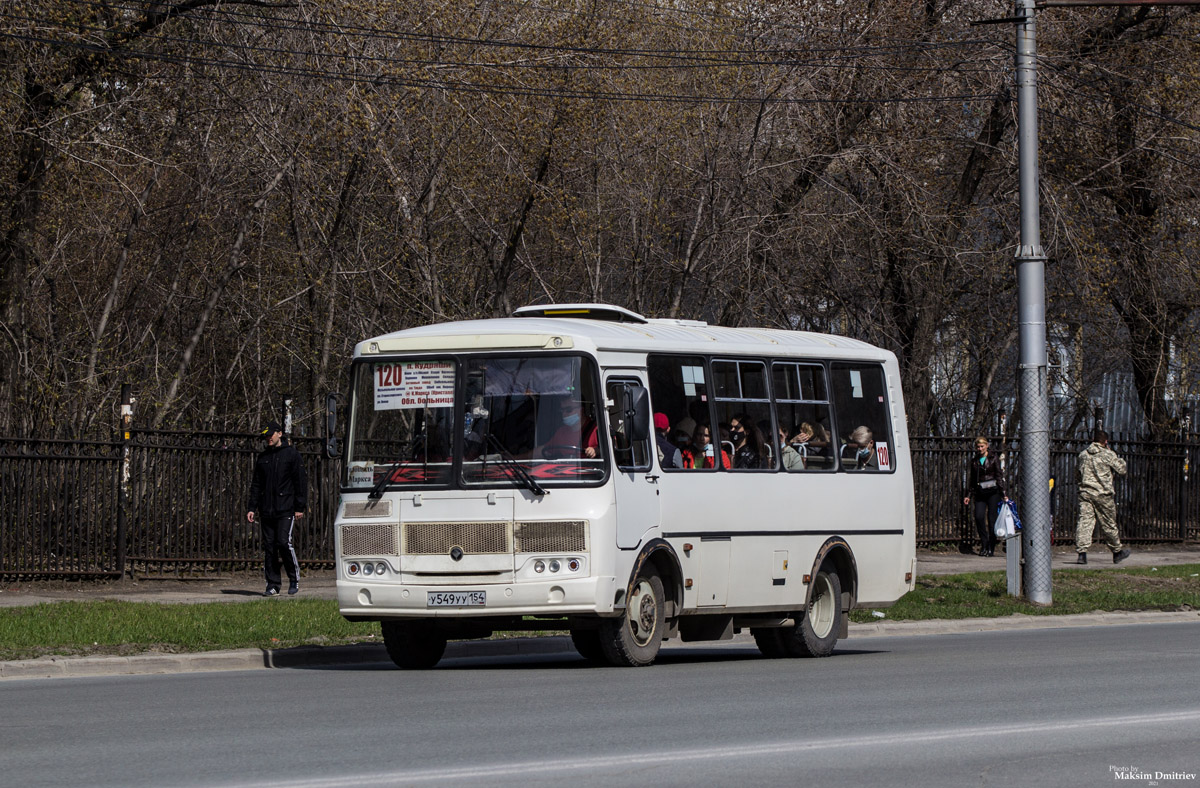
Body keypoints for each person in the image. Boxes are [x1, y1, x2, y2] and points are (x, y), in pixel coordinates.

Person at [247, 421, 307, 596]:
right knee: (270, 546)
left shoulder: (291, 455)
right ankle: (273, 585)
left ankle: (294, 579)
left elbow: (300, 482)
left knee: (283, 542)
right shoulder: (263, 458)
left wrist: (299, 506)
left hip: (286, 509)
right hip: (267, 509)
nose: (268, 438)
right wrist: (252, 507)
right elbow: (256, 485)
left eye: (270, 434)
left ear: (279, 434)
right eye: (266, 436)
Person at [1075, 429, 1130, 565]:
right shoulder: (1107, 454)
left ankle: (1082, 554)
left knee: (1085, 522)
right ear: (1105, 442)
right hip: (1103, 494)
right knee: (1109, 523)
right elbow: (1122, 469)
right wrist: (1116, 457)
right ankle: (1117, 552)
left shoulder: (1083, 455)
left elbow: (1078, 474)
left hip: (1086, 493)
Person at [961, 436, 1008, 557]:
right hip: (980, 492)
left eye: (982, 446)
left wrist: (1003, 493)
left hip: (993, 492)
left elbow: (999, 475)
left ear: (987, 446)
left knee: (992, 520)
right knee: (978, 517)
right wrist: (968, 495)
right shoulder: (975, 461)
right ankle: (984, 543)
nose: (980, 449)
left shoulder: (993, 458)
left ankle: (991, 546)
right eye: (978, 447)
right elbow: (972, 479)